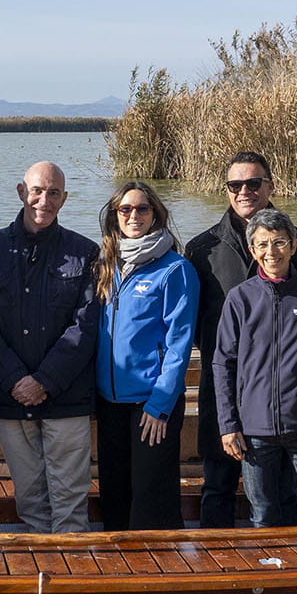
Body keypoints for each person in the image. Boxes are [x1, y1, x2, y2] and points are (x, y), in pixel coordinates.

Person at [183, 152, 297, 528]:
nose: (244, 191)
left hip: (284, 393)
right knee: (218, 481)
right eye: (235, 185)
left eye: (253, 183)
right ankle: (216, 556)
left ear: (270, 186)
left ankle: (283, 559)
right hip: (223, 386)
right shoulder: (202, 249)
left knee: (281, 490)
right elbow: (193, 322)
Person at [0, 162, 100, 534]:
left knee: (70, 501)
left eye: (54, 193)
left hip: (66, 397)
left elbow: (86, 325)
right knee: (29, 497)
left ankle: (73, 566)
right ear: (21, 191)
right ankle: (42, 563)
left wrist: (44, 380)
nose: (44, 200)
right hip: (10, 397)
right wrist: (14, 379)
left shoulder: (85, 252)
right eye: (37, 191)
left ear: (64, 198)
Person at [212, 209, 297, 527]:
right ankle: (270, 564)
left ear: (293, 245)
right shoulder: (239, 299)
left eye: (279, 242)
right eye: (262, 244)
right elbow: (223, 363)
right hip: (254, 431)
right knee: (264, 516)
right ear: (253, 250)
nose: (271, 252)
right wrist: (228, 423)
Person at [93, 181, 199, 530]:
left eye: (142, 208)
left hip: (151, 405)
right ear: (115, 215)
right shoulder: (106, 265)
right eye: (125, 209)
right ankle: (117, 562)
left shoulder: (174, 269)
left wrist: (161, 404)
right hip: (109, 403)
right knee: (115, 496)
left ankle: (160, 561)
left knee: (151, 501)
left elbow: (179, 343)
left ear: (155, 214)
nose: (133, 215)